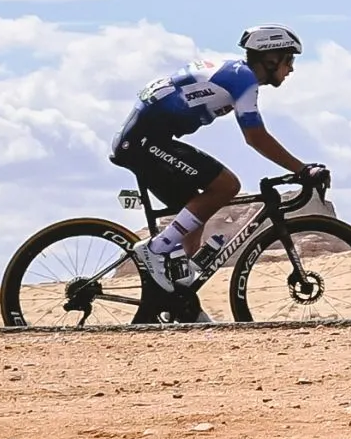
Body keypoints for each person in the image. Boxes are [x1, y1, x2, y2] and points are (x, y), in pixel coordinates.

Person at [116, 24, 320, 289]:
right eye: (289, 60)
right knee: (227, 185)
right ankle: (155, 249)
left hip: (147, 138)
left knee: (195, 214)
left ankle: (181, 300)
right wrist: (303, 169)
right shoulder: (243, 80)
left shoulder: (237, 74)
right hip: (144, 141)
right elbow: (256, 137)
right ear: (271, 59)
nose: (291, 68)